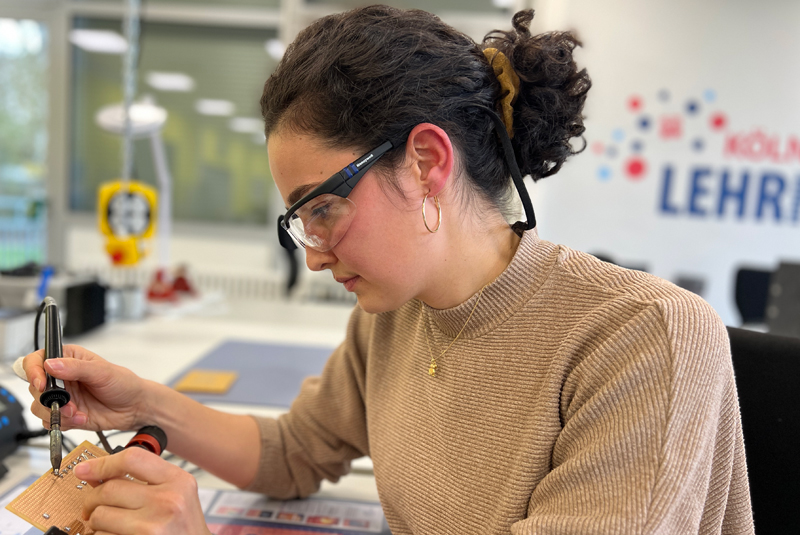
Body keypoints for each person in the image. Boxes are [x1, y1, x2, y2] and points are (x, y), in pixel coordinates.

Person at [24, 6, 754, 534]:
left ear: (427, 161)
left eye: (323, 208)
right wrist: (145, 404)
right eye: (299, 221)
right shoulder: (396, 314)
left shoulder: (645, 337)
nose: (311, 252)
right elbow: (292, 452)